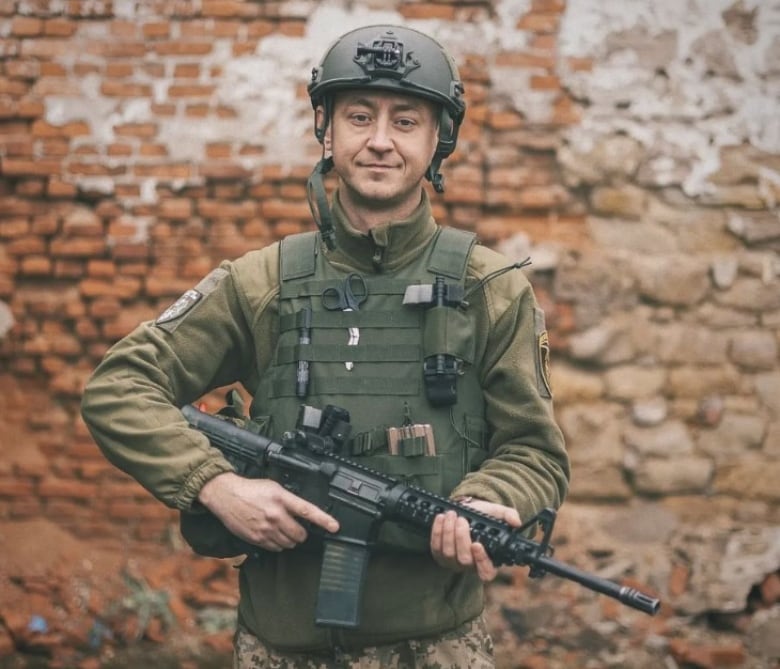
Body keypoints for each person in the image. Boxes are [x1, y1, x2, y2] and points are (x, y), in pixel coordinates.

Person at [81, 24, 570, 668]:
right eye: (359, 117)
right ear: (326, 128)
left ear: (437, 139)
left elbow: (535, 452)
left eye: (405, 121)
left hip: (438, 645)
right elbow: (119, 387)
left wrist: (488, 499)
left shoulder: (490, 289)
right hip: (278, 645)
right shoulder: (264, 282)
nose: (379, 141)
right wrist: (216, 486)